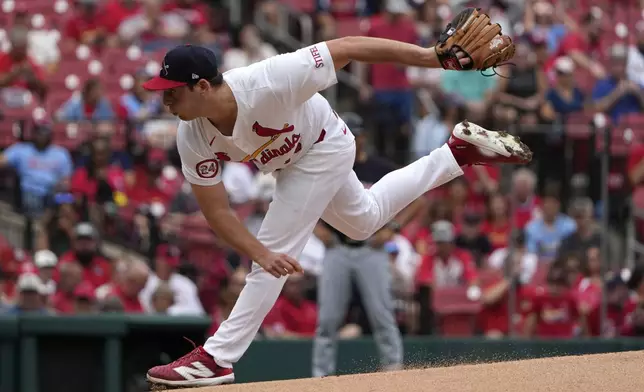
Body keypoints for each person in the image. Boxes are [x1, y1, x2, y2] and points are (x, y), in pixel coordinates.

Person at [142, 33, 531, 387]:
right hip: (290, 163)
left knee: (272, 255)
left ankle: (217, 357)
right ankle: (456, 153)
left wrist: (430, 57)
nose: (165, 102)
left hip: (324, 143)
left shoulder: (269, 80)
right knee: (364, 221)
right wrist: (260, 252)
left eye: (172, 92)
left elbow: (346, 48)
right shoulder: (191, 134)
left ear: (203, 86)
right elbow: (217, 212)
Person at [312, 113, 403, 377]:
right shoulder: (330, 167)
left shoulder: (379, 167)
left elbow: (416, 199)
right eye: (347, 133)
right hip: (338, 249)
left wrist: (394, 228)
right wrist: (316, 228)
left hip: (370, 249)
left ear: (363, 137)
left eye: (356, 134)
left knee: (382, 316)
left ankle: (394, 372)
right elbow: (305, 198)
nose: (352, 139)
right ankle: (321, 378)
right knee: (328, 319)